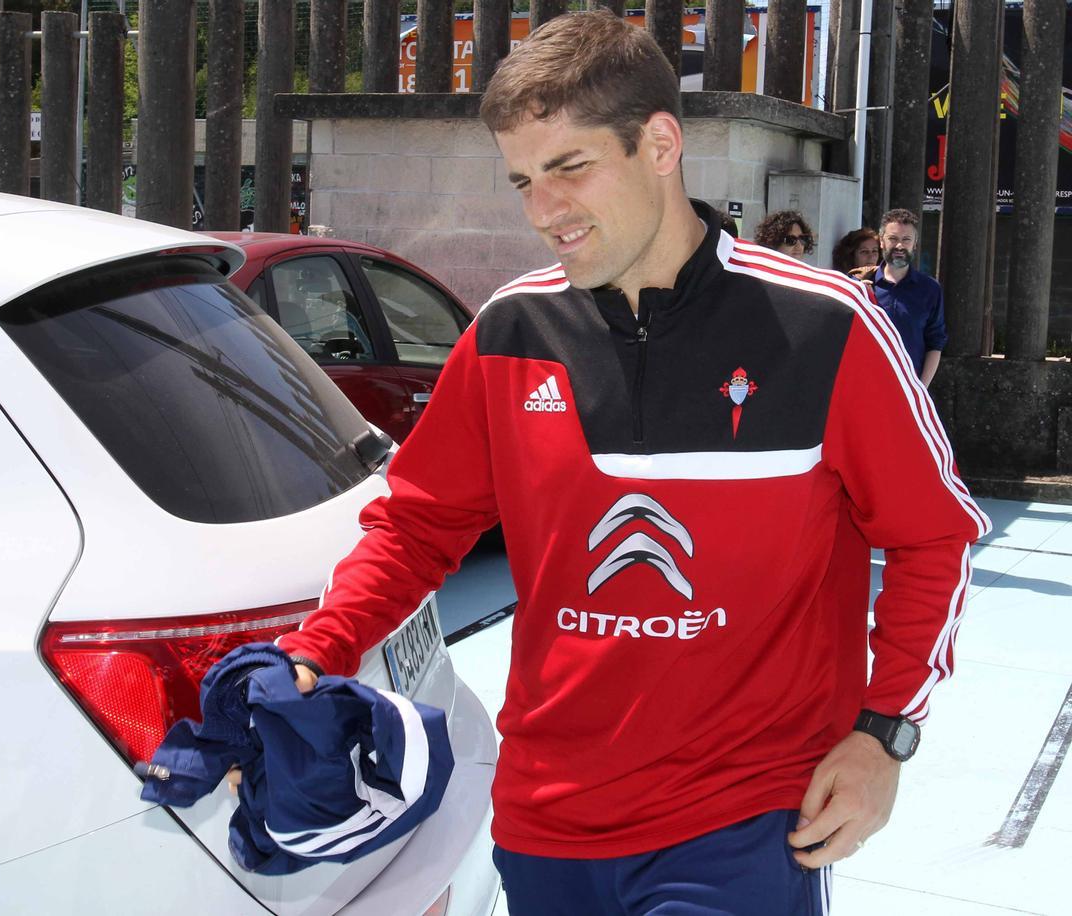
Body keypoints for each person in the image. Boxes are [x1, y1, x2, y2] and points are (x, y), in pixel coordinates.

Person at [270, 12, 989, 914]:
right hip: (545, 821)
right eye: (524, 180)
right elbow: (417, 524)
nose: (544, 211)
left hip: (745, 820)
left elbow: (935, 537)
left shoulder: (827, 326)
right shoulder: (508, 333)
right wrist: (316, 650)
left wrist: (885, 735)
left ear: (660, 143)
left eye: (569, 168)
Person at [860, 208, 948, 387]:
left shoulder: (930, 290)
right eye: (893, 239)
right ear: (882, 242)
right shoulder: (860, 286)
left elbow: (935, 343)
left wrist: (920, 390)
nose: (899, 246)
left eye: (906, 240)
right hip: (864, 388)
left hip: (908, 389)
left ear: (914, 244)